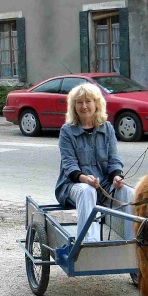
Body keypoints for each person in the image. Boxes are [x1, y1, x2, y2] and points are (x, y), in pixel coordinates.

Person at [54, 83, 135, 243]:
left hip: (104, 185)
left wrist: (117, 176)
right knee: (87, 190)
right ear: (74, 106)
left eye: (88, 101)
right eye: (79, 102)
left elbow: (114, 160)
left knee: (129, 193)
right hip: (73, 185)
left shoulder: (108, 128)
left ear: (96, 103)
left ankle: (131, 244)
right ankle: (89, 243)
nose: (84, 106)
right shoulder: (67, 131)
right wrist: (85, 178)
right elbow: (69, 166)